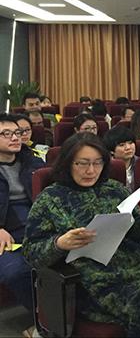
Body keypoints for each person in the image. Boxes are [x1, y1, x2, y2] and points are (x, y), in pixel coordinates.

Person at [23, 133, 140, 337]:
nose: (91, 171)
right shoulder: (50, 199)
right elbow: (30, 252)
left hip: (132, 262)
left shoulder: (114, 189)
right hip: (89, 279)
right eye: (82, 164)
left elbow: (134, 234)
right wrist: (59, 243)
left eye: (97, 163)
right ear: (68, 163)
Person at [0, 114, 45, 334]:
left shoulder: (33, 161)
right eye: (6, 134)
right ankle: (43, 320)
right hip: (6, 227)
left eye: (17, 132)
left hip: (37, 220)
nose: (15, 137)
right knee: (15, 271)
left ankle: (61, 315)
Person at [103, 126, 137, 190]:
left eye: (130, 143)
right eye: (122, 145)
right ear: (111, 151)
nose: (128, 147)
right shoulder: (106, 167)